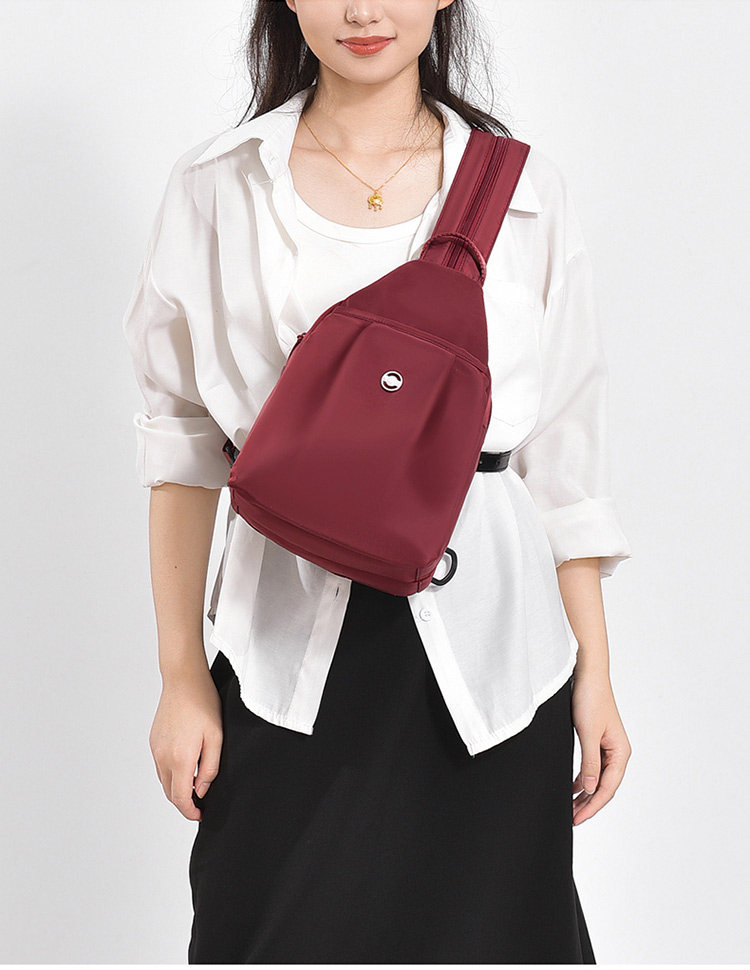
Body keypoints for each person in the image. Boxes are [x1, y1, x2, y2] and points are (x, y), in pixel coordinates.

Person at [122, 0, 633, 963]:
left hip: (495, 660)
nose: (363, 10)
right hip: (286, 654)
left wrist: (596, 677)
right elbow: (182, 457)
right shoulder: (219, 187)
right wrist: (181, 678)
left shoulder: (523, 191)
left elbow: (564, 462)